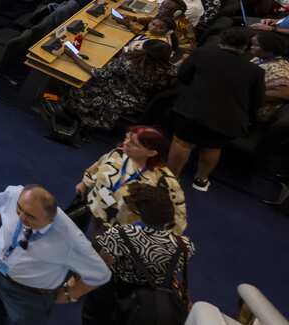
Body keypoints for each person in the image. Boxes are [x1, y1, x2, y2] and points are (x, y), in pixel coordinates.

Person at [0, 184, 111, 324]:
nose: (21, 218)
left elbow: (100, 274)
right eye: (19, 209)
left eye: (30, 216)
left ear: (50, 220)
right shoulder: (17, 195)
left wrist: (69, 294)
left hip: (27, 297)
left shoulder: (70, 239)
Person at [167, 30, 265, 192]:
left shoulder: (202, 54)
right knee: (212, 147)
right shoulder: (256, 71)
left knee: (182, 143)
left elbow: (183, 76)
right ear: (245, 47)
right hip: (228, 120)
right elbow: (257, 101)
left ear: (221, 41)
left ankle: (171, 178)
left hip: (192, 110)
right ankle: (201, 180)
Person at [83, 183, 194, 325]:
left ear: (136, 213)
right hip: (155, 302)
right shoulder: (185, 245)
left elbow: (99, 264)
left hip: (116, 296)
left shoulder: (119, 235)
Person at [75, 126, 186, 236]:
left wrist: (163, 238)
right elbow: (98, 166)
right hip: (96, 208)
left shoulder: (164, 181)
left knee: (102, 245)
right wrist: (84, 183)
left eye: (134, 144)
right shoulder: (118, 153)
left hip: (123, 228)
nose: (126, 143)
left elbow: (178, 217)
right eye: (127, 138)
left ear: (151, 153)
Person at [61, 39, 176, 131]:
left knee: (79, 85)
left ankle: (75, 114)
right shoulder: (170, 71)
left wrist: (73, 56)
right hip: (139, 102)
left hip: (118, 99)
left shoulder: (129, 63)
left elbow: (99, 73)